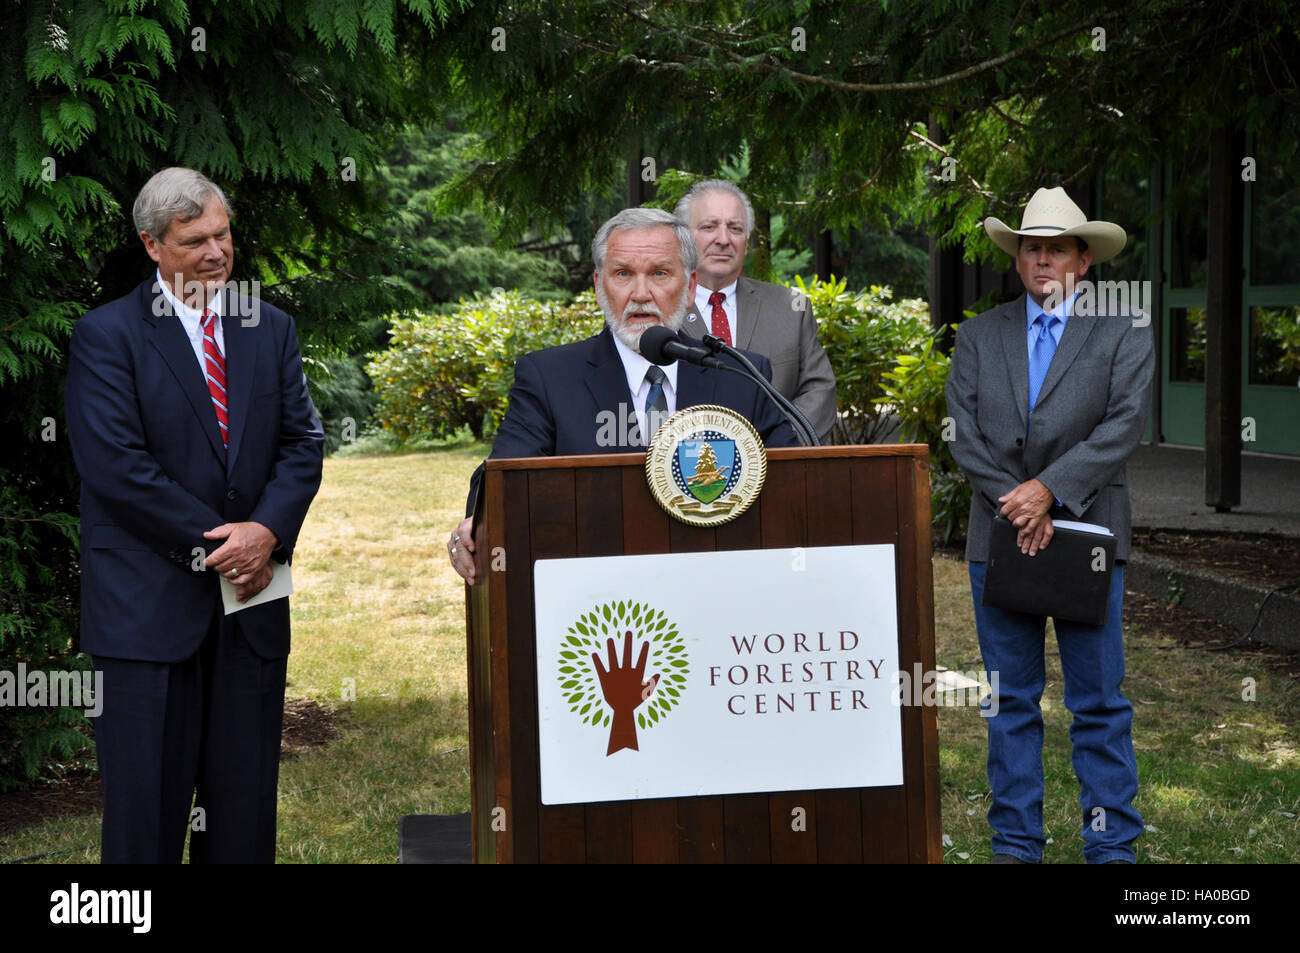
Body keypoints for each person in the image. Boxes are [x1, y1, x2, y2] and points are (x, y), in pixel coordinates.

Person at [65, 167, 324, 863]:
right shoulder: (106, 335)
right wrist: (231, 545)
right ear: (153, 246)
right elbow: (118, 468)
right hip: (147, 621)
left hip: (251, 613)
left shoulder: (269, 328)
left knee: (241, 820)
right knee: (144, 823)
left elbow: (303, 444)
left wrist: (266, 532)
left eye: (223, 234)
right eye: (194, 241)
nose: (216, 252)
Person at [945, 186, 1154, 864]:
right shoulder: (979, 335)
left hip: (1089, 538)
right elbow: (963, 433)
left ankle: (1111, 845)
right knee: (1010, 704)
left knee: (1097, 703)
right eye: (1032, 248)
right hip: (999, 537)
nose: (1042, 259)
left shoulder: (1125, 331)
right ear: (1019, 258)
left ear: (1082, 260)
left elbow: (1122, 426)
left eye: (1056, 248)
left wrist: (1049, 492)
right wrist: (1021, 501)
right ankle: (1015, 845)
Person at [447, 207, 797, 583]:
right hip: (597, 593)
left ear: (691, 286)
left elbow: (797, 486)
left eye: (660, 273)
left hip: (720, 582)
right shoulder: (549, 377)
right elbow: (502, 481)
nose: (641, 294)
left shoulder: (740, 374)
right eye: (623, 274)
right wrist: (475, 524)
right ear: (599, 286)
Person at [674, 179, 838, 444]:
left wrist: (767, 447)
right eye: (709, 227)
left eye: (735, 228)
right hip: (683, 468)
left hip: (777, 470)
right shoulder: (656, 310)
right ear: (683, 239)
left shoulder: (791, 309)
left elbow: (820, 390)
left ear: (747, 243)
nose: (724, 239)